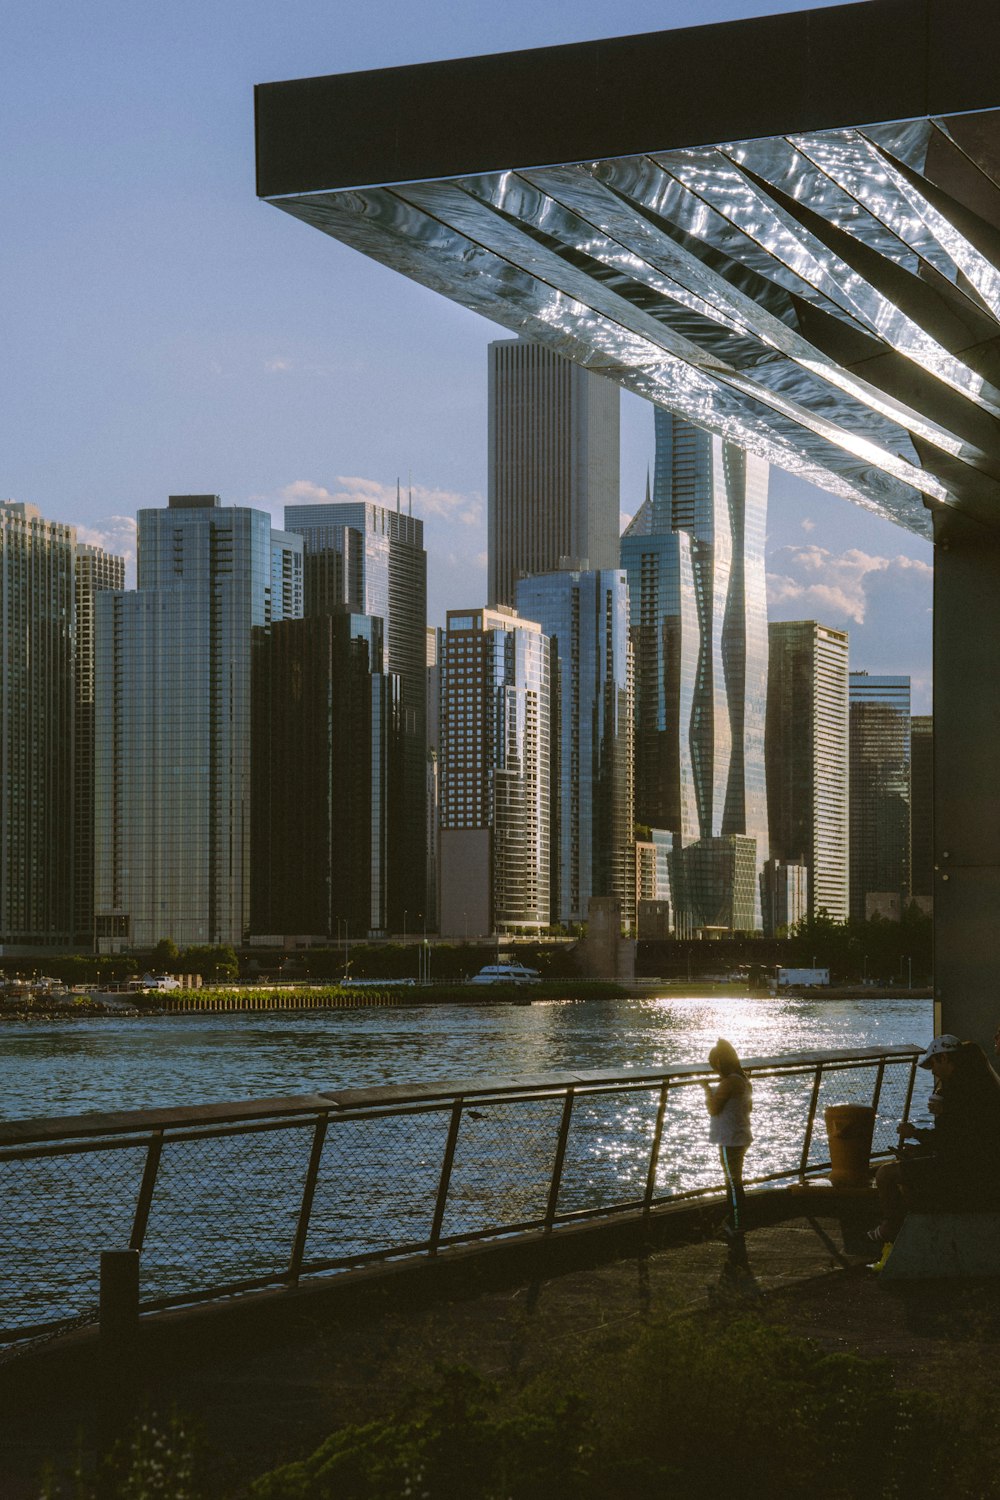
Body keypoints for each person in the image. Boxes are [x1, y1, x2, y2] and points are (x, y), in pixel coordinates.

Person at [872, 1035, 1000, 1249]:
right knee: (908, 1170)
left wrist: (919, 1131)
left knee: (885, 1174)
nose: (933, 1071)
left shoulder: (959, 1095)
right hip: (979, 1169)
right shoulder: (981, 1086)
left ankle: (891, 1227)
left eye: (933, 1064)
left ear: (944, 1059)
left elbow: (955, 1140)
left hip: (966, 1173)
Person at [702, 1038, 753, 1269]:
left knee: (732, 1183)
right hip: (740, 1136)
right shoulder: (743, 1079)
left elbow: (714, 1108)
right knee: (736, 1180)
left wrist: (705, 1090)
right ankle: (737, 1222)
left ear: (720, 1062)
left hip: (728, 1139)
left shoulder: (728, 1083)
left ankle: (736, 1224)